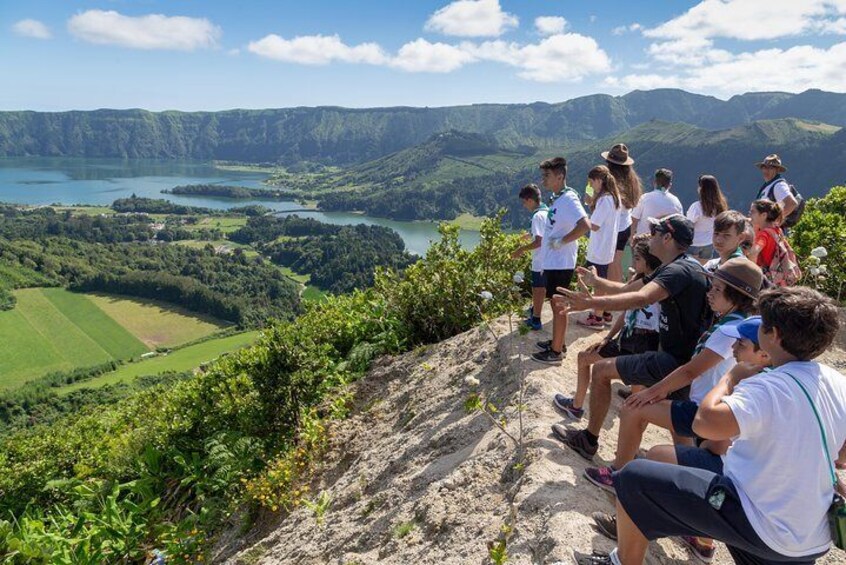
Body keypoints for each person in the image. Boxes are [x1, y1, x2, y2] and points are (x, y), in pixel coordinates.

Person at [575, 286, 846, 565]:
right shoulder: (836, 382)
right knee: (663, 460)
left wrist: (730, 379)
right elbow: (842, 456)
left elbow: (705, 424)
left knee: (634, 480)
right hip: (811, 538)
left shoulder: (766, 386)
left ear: (774, 335)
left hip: (764, 525)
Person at [589, 315, 773, 563]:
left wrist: (728, 381)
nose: (733, 348)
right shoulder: (778, 382)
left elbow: (714, 438)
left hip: (740, 483)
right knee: (676, 456)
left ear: (764, 355)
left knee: (650, 462)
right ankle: (702, 542)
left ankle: (627, 519)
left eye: (741, 344)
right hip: (760, 485)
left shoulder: (748, 384)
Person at [581, 258, 762, 494]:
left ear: (736, 297)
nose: (710, 293)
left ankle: (619, 475)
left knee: (633, 408)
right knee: (689, 453)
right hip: (703, 405)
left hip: (704, 409)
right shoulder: (732, 324)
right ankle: (688, 508)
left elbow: (691, 370)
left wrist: (654, 391)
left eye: (717, 289)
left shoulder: (728, 332)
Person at [549, 214, 710, 459]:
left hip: (671, 359)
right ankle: (693, 474)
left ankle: (589, 441)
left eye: (655, 232)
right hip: (684, 361)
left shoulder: (677, 271)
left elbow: (642, 298)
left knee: (602, 371)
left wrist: (592, 302)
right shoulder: (683, 266)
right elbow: (630, 290)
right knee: (678, 428)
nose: (651, 235)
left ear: (667, 238)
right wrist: (597, 283)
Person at [553, 234, 661, 420]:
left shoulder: (658, 284)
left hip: (645, 343)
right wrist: (608, 337)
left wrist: (593, 289)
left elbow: (621, 293)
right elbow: (627, 312)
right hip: (627, 338)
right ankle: (576, 406)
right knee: (584, 357)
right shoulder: (639, 278)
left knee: (636, 394)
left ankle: (629, 440)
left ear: (649, 260)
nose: (634, 263)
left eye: (637, 258)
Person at [531, 157, 590, 365]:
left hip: (561, 262)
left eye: (547, 176)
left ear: (560, 176)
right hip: (554, 262)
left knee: (559, 306)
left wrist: (562, 241)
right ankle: (558, 343)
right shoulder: (559, 198)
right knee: (556, 305)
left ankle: (556, 353)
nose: (543, 180)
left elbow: (585, 225)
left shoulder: (569, 199)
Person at [578, 166, 621, 330]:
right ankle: (605, 312)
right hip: (607, 247)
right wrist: (592, 199)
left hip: (599, 249)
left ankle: (597, 317)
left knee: (597, 284)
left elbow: (594, 225)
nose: (590, 185)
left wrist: (581, 219)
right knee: (602, 281)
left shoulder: (604, 200)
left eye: (591, 182)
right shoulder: (613, 197)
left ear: (599, 181)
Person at [603, 144, 642, 288]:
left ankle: (611, 295)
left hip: (612, 226)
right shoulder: (633, 180)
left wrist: (589, 187)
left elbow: (590, 198)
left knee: (609, 262)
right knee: (616, 261)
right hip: (625, 225)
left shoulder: (608, 180)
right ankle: (620, 291)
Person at [511, 184, 548, 331]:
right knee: (542, 288)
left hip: (540, 260)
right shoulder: (547, 211)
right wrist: (529, 234)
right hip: (549, 260)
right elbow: (543, 233)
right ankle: (535, 310)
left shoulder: (537, 216)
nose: (524, 205)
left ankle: (536, 320)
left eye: (524, 202)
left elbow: (539, 242)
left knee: (537, 289)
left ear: (530, 200)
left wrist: (521, 249)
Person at [687, 175, 728, 265]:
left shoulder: (697, 206)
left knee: (691, 269)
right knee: (703, 268)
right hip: (709, 243)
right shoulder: (721, 206)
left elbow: (689, 225)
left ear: (701, 189)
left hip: (694, 243)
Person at [630, 168, 682, 237]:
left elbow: (634, 219)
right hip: (665, 244)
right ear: (670, 185)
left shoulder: (645, 198)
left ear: (654, 182)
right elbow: (680, 223)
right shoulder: (676, 201)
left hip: (644, 241)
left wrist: (631, 238)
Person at [754, 154, 798, 220]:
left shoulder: (778, 185)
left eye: (770, 168)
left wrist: (774, 221)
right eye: (764, 167)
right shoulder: (769, 185)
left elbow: (792, 203)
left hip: (769, 229)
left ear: (777, 170)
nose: (766, 170)